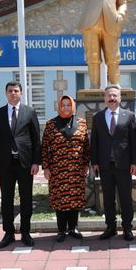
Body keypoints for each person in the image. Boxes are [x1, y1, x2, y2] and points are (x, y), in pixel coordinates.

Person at [0, 82, 41, 248]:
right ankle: (9, 233)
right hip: (5, 164)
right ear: (6, 93)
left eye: (16, 91)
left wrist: (36, 162)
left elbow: (35, 139)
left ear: (21, 93)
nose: (13, 93)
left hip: (25, 163)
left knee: (26, 198)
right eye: (10, 91)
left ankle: (26, 232)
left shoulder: (30, 112)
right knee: (7, 199)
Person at [90, 84, 136, 240]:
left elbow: (133, 141)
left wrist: (134, 162)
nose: (112, 98)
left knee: (125, 198)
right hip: (104, 166)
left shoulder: (129, 115)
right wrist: (95, 162)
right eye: (109, 96)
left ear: (120, 98)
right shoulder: (97, 117)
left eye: (115, 96)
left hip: (124, 165)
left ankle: (127, 228)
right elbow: (94, 141)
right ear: (104, 98)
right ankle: (110, 227)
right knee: (108, 199)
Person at [41, 95, 90, 242]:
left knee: (75, 199)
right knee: (60, 200)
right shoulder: (51, 125)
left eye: (69, 105)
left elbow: (86, 146)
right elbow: (44, 148)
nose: (66, 108)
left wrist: (86, 165)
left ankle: (73, 228)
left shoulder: (81, 123)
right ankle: (61, 230)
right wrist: (46, 167)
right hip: (58, 169)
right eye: (63, 105)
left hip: (76, 168)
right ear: (59, 107)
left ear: (73, 106)